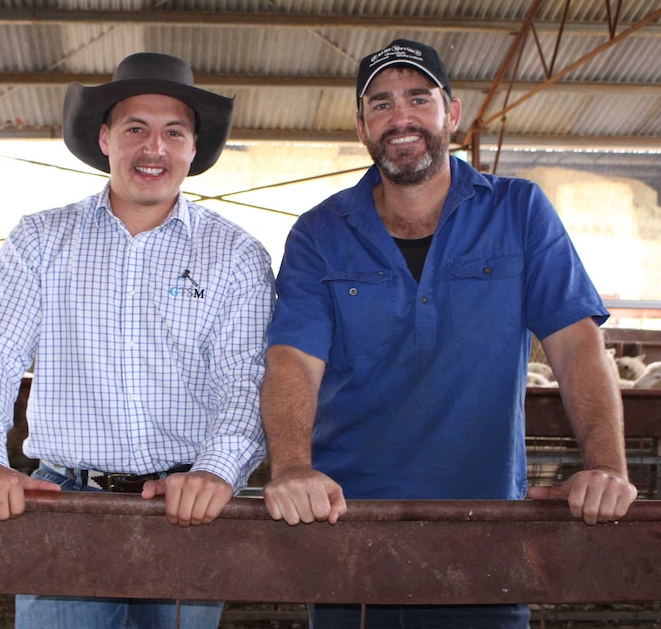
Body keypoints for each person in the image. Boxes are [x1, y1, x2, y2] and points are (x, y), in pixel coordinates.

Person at [260, 39, 638, 628]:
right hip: (346, 525)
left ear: (451, 114)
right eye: (380, 105)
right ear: (362, 127)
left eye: (418, 98)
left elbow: (575, 343)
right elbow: (293, 360)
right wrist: (290, 468)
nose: (400, 118)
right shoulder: (319, 232)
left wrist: (607, 466)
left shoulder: (519, 210)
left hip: (486, 529)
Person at [0, 52, 275, 629]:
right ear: (105, 138)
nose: (155, 149)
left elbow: (244, 377)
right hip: (64, 504)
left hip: (190, 504)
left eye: (174, 132)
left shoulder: (235, 255)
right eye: (135, 129)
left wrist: (219, 470)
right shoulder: (41, 240)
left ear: (193, 148)